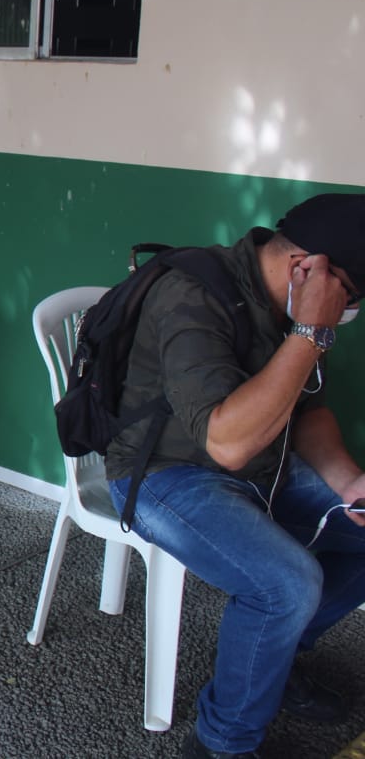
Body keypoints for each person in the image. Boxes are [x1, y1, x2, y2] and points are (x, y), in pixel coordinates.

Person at [104, 194, 365, 759]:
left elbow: (309, 412)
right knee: (286, 584)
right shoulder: (192, 294)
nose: (348, 308)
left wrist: (351, 486)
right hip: (163, 474)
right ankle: (222, 745)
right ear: (307, 268)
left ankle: (273, 660)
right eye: (349, 294)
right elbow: (226, 444)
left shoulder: (296, 303)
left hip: (262, 465)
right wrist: (310, 332)